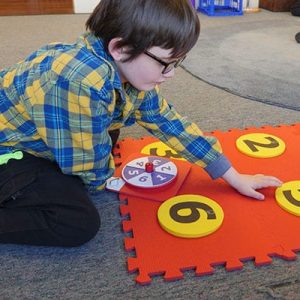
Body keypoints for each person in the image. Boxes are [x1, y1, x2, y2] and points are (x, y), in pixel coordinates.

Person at [0, 0, 282, 247]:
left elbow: (169, 122)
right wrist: (104, 179)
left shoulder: (125, 72)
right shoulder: (80, 81)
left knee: (109, 130)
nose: (170, 74)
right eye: (165, 63)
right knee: (76, 221)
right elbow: (86, 166)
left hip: (39, 130)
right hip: (8, 147)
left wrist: (232, 175)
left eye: (177, 63)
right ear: (121, 48)